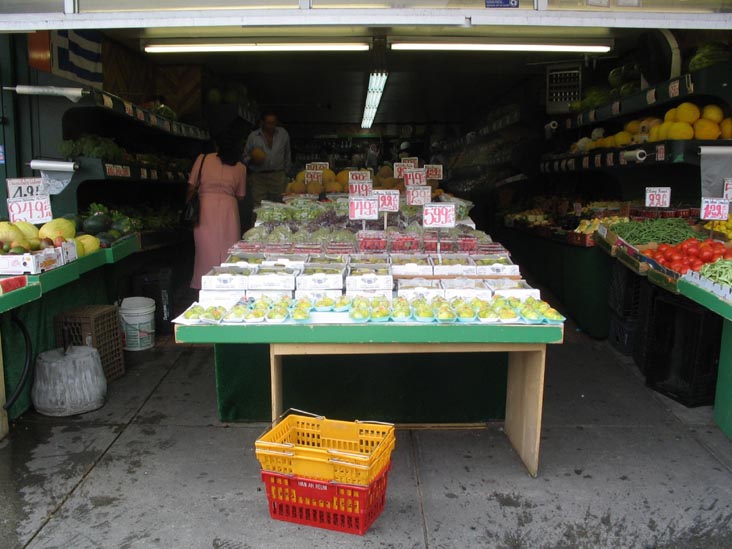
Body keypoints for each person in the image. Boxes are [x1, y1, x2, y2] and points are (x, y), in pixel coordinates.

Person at [188, 125, 247, 290]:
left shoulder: (203, 159)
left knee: (205, 250)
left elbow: (192, 185)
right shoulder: (241, 167)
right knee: (229, 248)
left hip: (205, 207)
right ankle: (229, 285)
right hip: (229, 210)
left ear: (217, 145)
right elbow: (241, 195)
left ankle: (204, 284)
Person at [243, 112, 292, 206]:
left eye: (273, 123)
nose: (271, 126)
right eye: (268, 123)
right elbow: (245, 157)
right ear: (263, 123)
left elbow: (287, 154)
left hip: (278, 175)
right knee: (258, 206)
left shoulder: (283, 134)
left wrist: (286, 173)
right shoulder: (253, 136)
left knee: (279, 204)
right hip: (259, 177)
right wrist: (253, 159)